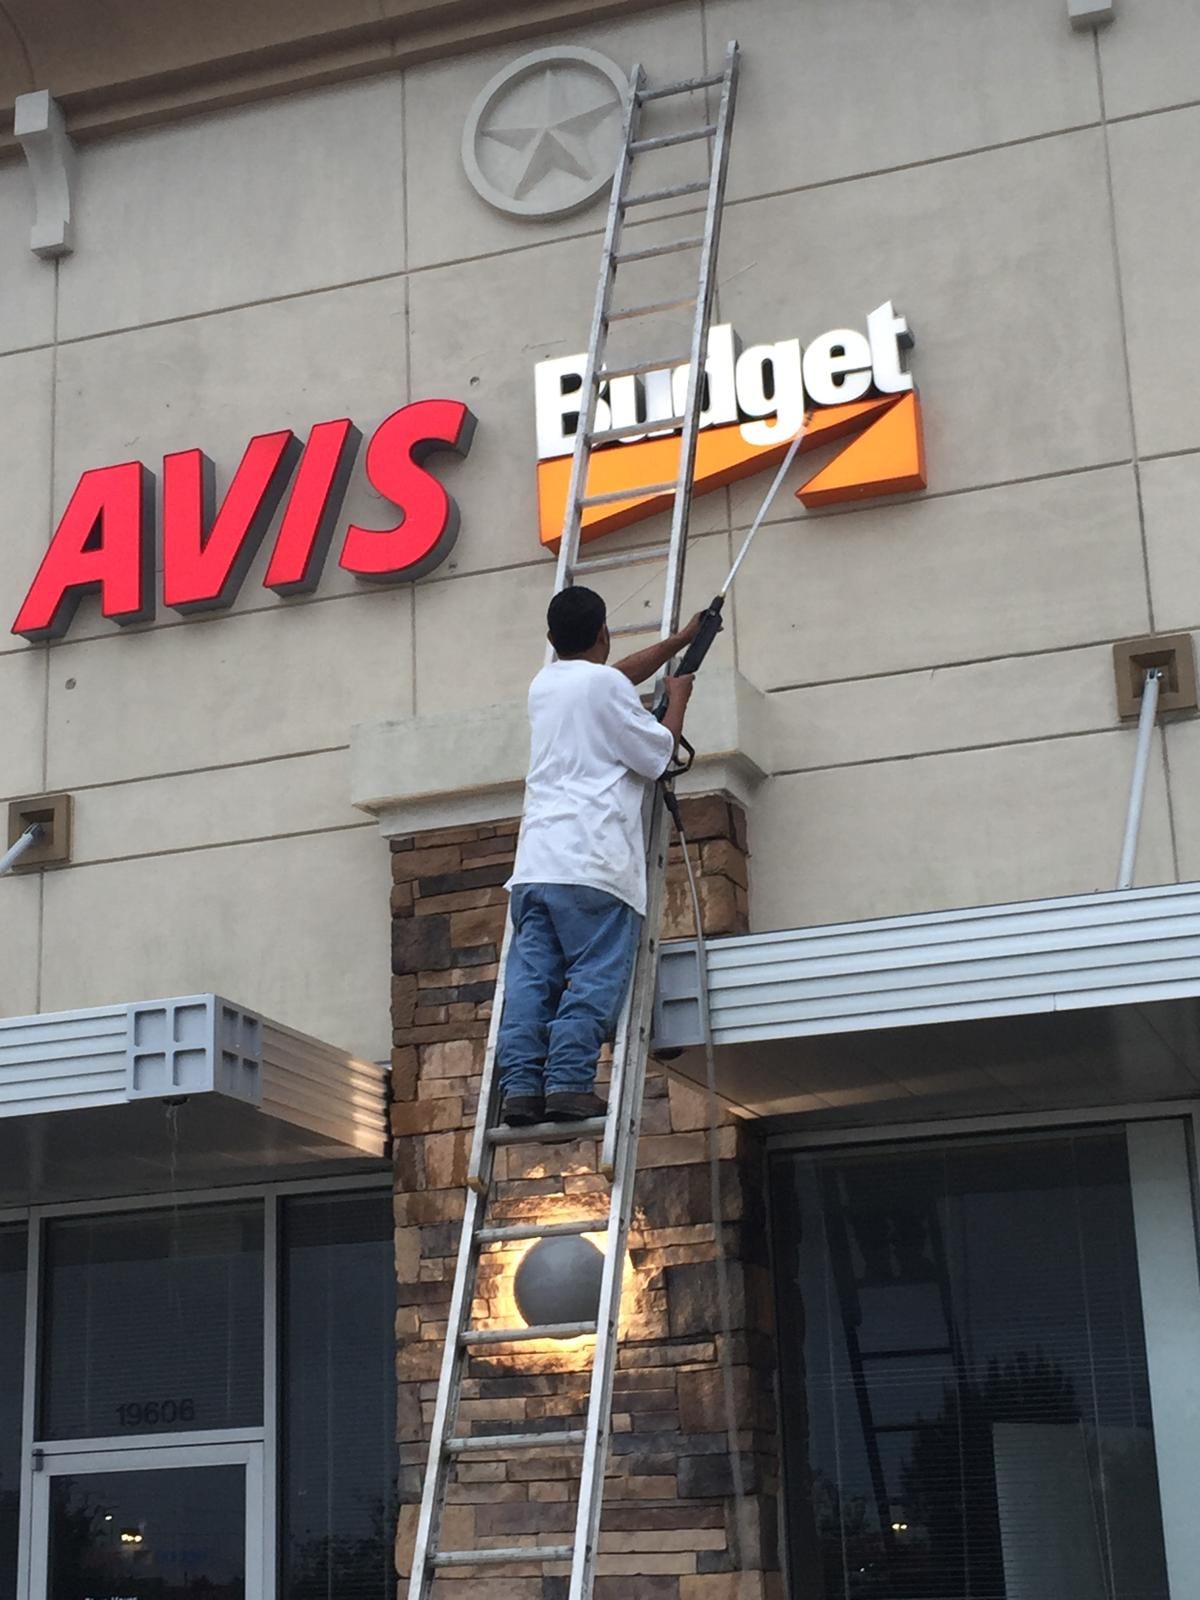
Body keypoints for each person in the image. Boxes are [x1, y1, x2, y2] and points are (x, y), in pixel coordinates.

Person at [496, 585, 700, 1126]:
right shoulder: (603, 685)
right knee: (591, 977)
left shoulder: (546, 686)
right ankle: (566, 1082)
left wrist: (676, 641)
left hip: (537, 866)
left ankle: (520, 1088)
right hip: (595, 865)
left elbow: (610, 677)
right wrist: (677, 696)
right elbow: (658, 755)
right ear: (604, 633)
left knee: (532, 981)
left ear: (550, 639)